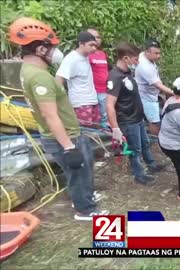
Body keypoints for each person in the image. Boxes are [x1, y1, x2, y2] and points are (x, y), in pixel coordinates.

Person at [9, 17, 108, 220]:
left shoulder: (29, 71)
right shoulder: (39, 77)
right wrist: (69, 147)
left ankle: (83, 198)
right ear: (40, 50)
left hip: (64, 133)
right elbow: (49, 114)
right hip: (64, 137)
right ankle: (85, 210)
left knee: (82, 170)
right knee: (78, 171)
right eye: (51, 47)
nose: (56, 52)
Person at [106, 42, 163, 186]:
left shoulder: (127, 73)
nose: (138, 62)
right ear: (126, 59)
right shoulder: (115, 77)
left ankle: (151, 165)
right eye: (135, 59)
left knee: (144, 144)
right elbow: (110, 104)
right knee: (135, 149)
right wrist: (115, 128)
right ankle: (139, 174)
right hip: (127, 120)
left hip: (137, 117)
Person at [55, 31, 99, 127]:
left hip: (92, 101)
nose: (94, 48)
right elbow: (59, 79)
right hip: (80, 104)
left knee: (95, 133)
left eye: (95, 46)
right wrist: (61, 101)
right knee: (86, 134)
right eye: (91, 45)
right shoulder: (71, 59)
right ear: (81, 44)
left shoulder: (85, 57)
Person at [135, 39, 173, 136]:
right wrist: (174, 93)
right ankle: (155, 140)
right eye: (156, 53)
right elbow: (158, 85)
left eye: (159, 53)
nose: (158, 56)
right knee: (154, 120)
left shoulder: (144, 56)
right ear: (147, 52)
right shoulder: (144, 66)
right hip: (146, 97)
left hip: (151, 93)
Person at [87, 27, 109, 128]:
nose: (96, 40)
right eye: (93, 37)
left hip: (105, 90)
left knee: (105, 114)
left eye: (98, 37)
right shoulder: (87, 56)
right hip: (94, 91)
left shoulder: (102, 54)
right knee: (97, 116)